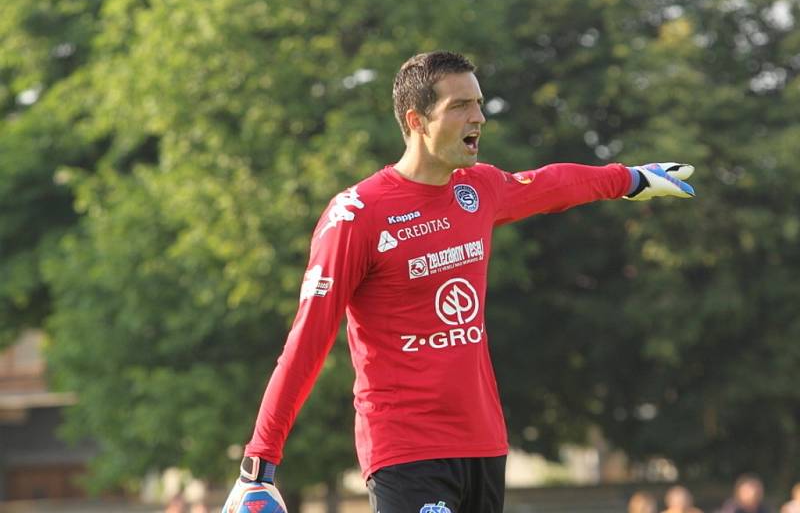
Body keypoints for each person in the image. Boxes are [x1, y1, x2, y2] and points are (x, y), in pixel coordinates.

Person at [220, 51, 696, 513]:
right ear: (416, 121)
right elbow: (308, 339)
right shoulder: (356, 216)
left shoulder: (478, 188)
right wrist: (258, 464)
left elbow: (551, 185)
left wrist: (630, 178)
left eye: (480, 103)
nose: (479, 118)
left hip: (484, 443)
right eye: (460, 106)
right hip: (404, 449)